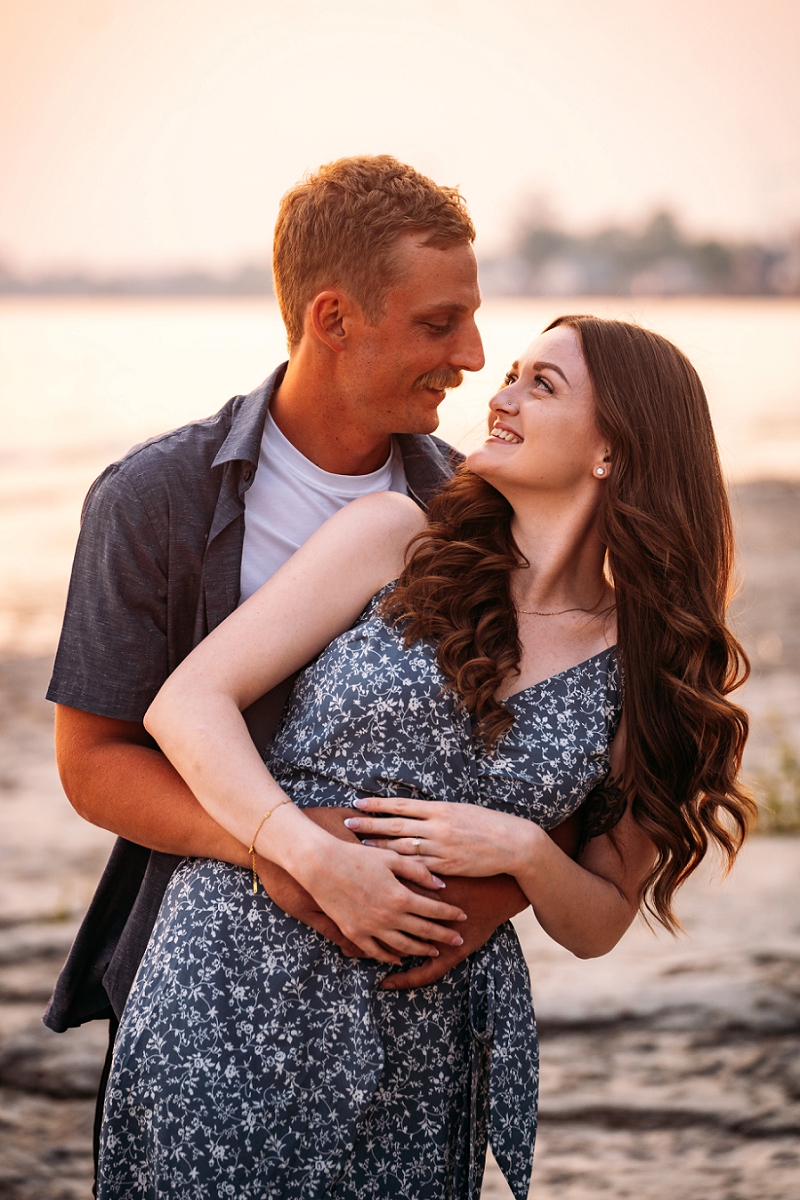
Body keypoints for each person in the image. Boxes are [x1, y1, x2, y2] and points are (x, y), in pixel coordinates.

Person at [96, 315, 754, 1199]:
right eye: (513, 374)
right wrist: (307, 854)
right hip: (234, 974)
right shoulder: (393, 537)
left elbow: (597, 922)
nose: (501, 393)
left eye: (541, 384)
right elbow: (187, 704)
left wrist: (522, 852)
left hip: (429, 1035)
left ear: (615, 451)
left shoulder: (647, 666)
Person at [45, 155, 531, 1182]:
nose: (474, 354)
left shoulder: (473, 516)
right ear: (333, 317)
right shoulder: (152, 500)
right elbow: (93, 763)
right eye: (437, 324)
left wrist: (491, 902)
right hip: (199, 991)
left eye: (471, 319)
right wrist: (283, 847)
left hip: (410, 1011)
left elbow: (552, 749)